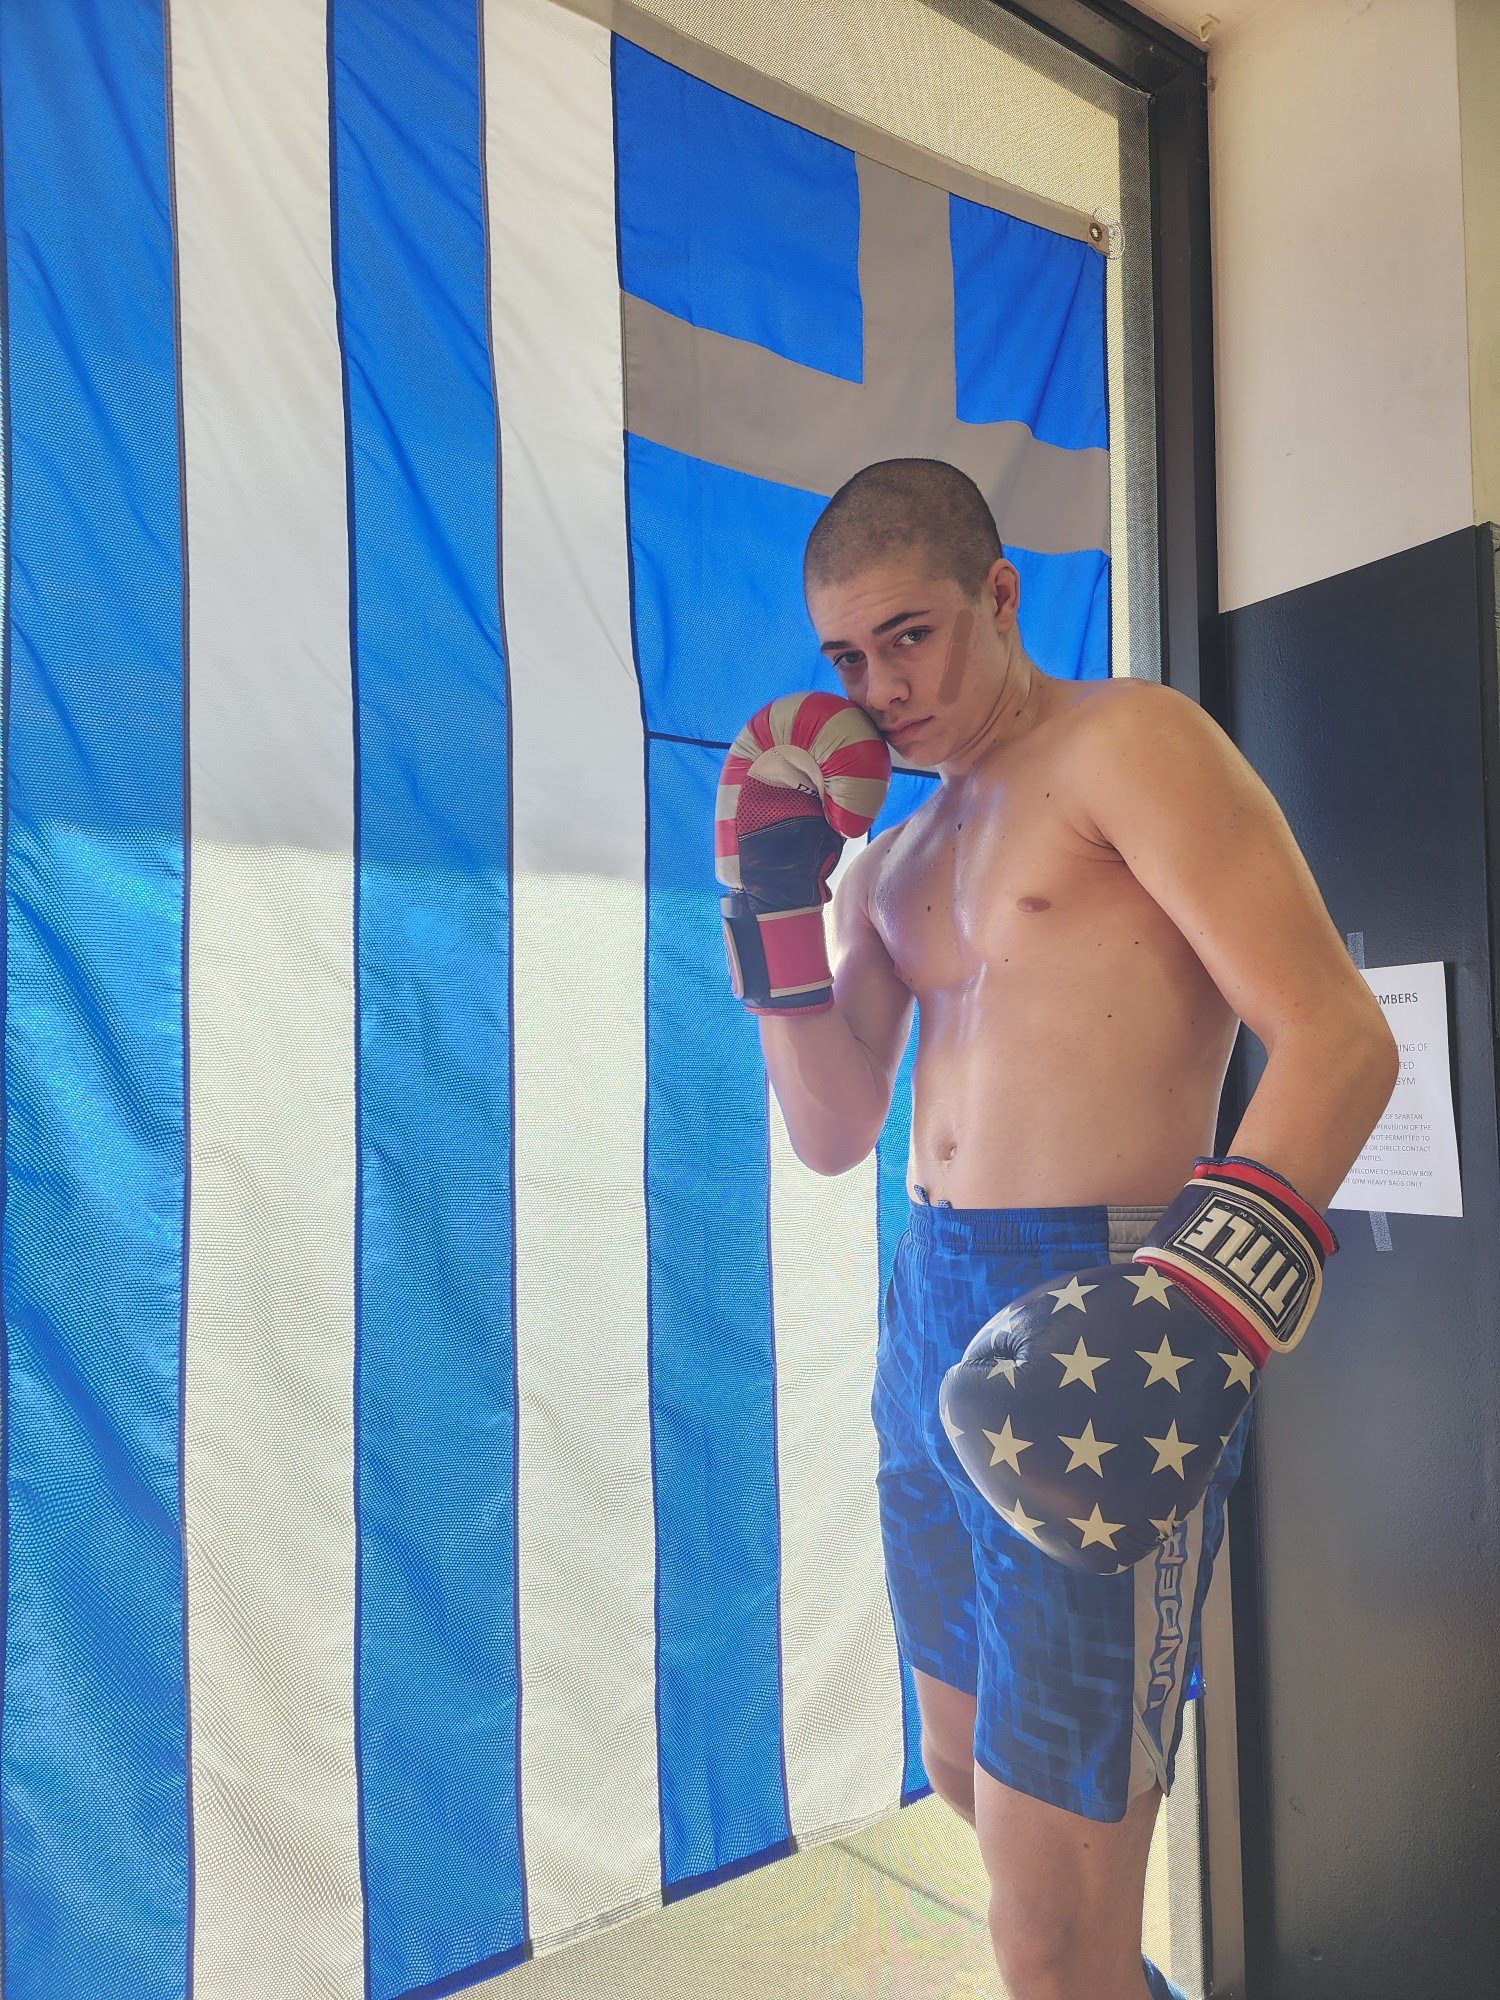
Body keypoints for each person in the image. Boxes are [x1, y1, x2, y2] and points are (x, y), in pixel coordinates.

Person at [721, 458, 1398, 2000]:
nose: (880, 690)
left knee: (1047, 1933)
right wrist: (772, 908)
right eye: (846, 658)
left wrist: (1201, 1309)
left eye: (910, 636)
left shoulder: (1128, 745)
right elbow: (830, 1129)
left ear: (1000, 594)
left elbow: (1339, 1038)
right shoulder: (894, 859)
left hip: (1104, 1303)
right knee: (968, 1778)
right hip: (927, 1315)